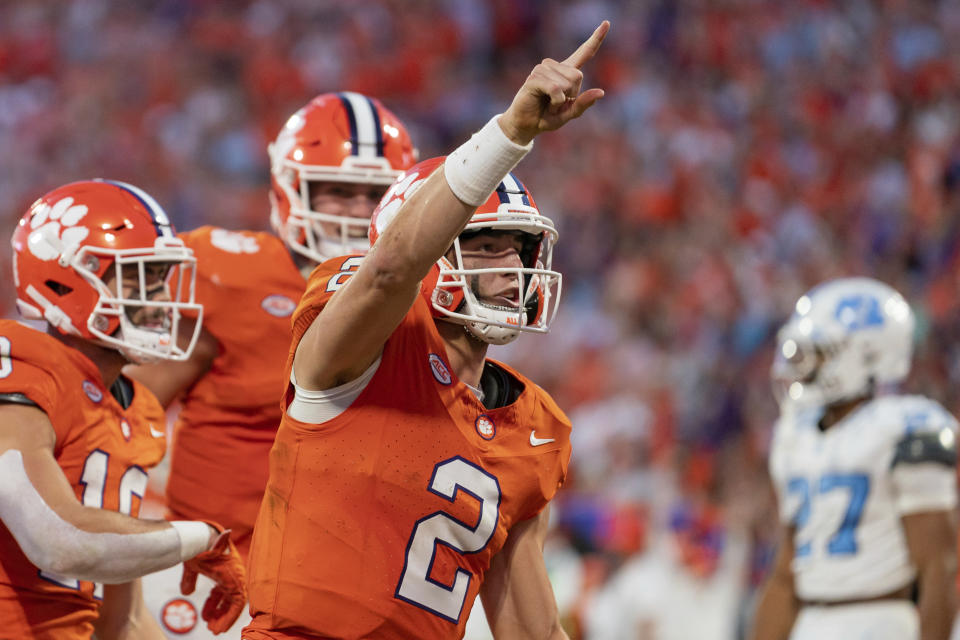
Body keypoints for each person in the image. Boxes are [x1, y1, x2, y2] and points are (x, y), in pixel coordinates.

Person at [241, 21, 610, 640]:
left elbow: (532, 629)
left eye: (519, 249)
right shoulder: (369, 342)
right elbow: (388, 271)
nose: (512, 269)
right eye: (486, 244)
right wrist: (511, 134)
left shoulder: (537, 428)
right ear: (431, 249)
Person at [125, 92, 416, 637]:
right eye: (337, 190)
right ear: (288, 187)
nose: (357, 210)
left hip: (344, 585)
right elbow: (124, 416)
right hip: (217, 577)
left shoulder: (421, 302)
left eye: (372, 194)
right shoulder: (227, 275)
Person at [0, 179, 247, 639]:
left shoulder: (139, 412)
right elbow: (57, 540)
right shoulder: (22, 364)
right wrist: (200, 539)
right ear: (64, 279)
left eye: (158, 278)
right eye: (135, 278)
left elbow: (123, 622)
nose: (156, 299)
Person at [750, 277, 957, 640]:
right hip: (811, 621)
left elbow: (937, 567)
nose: (803, 365)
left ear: (869, 353)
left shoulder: (906, 426)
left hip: (882, 619)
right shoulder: (796, 434)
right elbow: (786, 573)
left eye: (820, 353)